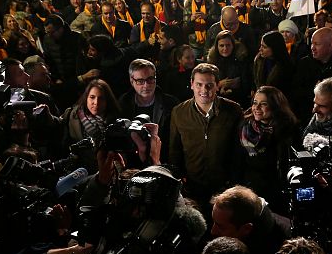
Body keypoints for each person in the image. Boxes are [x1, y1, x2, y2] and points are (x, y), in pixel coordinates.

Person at [169, 63, 244, 211]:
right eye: (199, 84)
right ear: (191, 85)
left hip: (224, 188)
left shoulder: (233, 111)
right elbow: (174, 151)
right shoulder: (179, 112)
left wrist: (234, 184)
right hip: (191, 188)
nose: (204, 90)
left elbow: (239, 152)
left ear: (217, 85)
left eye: (209, 85)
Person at [233, 86, 299, 214]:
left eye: (263, 104)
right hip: (251, 190)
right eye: (255, 103)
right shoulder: (244, 127)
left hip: (279, 192)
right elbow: (236, 161)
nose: (257, 108)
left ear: (276, 106)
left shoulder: (289, 128)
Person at [116, 59, 179, 163]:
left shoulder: (171, 103)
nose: (146, 85)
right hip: (132, 163)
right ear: (132, 82)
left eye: (150, 79)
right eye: (140, 81)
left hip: (163, 161)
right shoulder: (123, 103)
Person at [59, 79, 120, 172]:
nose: (96, 102)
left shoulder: (116, 122)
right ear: (86, 98)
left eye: (101, 98)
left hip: (107, 172)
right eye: (92, 97)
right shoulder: (72, 116)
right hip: (78, 172)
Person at [206, 30, 253, 107]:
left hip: (239, 101)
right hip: (217, 102)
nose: (225, 48)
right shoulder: (212, 62)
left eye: (228, 45)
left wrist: (235, 87)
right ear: (217, 47)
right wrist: (219, 85)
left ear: (233, 45)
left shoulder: (241, 59)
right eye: (221, 45)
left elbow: (247, 84)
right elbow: (206, 86)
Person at [253, 30, 294, 96]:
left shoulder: (286, 66)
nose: (260, 49)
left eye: (264, 47)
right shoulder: (259, 60)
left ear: (275, 48)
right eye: (261, 46)